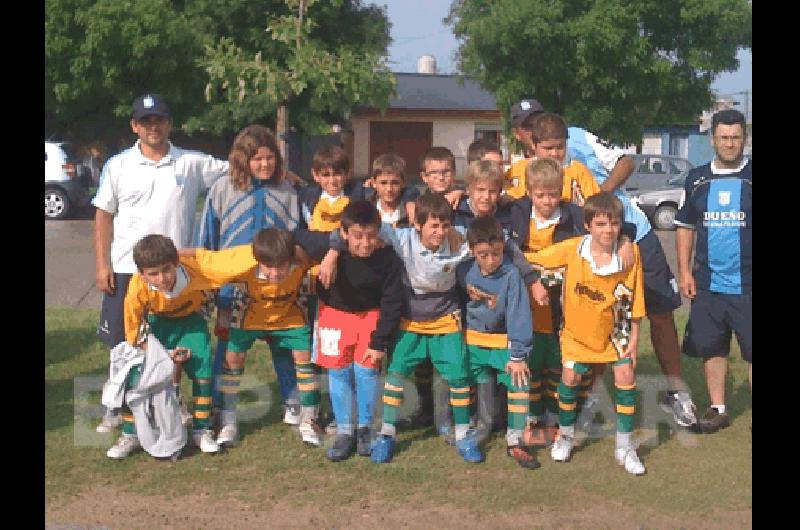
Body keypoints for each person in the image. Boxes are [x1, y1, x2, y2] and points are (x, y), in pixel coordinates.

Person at [509, 99, 698, 428]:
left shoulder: (580, 140)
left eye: (540, 120)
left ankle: (675, 392)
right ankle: (588, 396)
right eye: (528, 127)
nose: (539, 133)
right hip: (585, 251)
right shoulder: (526, 170)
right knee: (592, 318)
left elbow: (625, 162)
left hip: (631, 234)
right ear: (524, 135)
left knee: (659, 311)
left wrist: (602, 203)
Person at [93, 93, 229, 433]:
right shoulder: (118, 165)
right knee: (126, 342)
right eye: (146, 121)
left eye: (159, 120)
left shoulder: (191, 163)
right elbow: (103, 216)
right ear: (134, 126)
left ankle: (175, 402)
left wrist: (286, 174)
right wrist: (102, 264)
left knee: (179, 342)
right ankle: (119, 405)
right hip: (128, 268)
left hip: (176, 272)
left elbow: (238, 170)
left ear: (169, 123)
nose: (153, 127)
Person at [107, 234, 258, 458]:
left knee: (203, 373)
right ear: (141, 273)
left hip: (191, 322)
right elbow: (134, 330)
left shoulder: (199, 268)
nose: (162, 279)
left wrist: (285, 246)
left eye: (166, 270)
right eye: (153, 274)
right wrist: (161, 354)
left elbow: (238, 258)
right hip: (157, 326)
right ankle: (132, 433)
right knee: (136, 375)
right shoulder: (137, 287)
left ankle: (201, 429)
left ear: (176, 262)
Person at [528, 192, 647, 475]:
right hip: (576, 332)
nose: (609, 230)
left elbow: (636, 299)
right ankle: (566, 435)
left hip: (615, 331)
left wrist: (634, 339)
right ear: (588, 226)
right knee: (569, 377)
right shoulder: (572, 250)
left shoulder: (630, 254)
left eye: (615, 224)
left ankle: (625, 446)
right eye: (601, 224)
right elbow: (532, 260)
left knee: (626, 375)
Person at [196, 124, 303, 430]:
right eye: (257, 159)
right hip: (233, 287)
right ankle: (219, 406)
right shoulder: (222, 189)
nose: (265, 164)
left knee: (282, 345)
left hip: (276, 284)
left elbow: (297, 235)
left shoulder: (286, 190)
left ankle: (293, 402)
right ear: (242, 159)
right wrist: (209, 285)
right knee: (229, 349)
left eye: (270, 158)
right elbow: (208, 239)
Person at [367, 193, 483, 464]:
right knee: (396, 375)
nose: (440, 232)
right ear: (417, 224)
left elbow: (493, 235)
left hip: (446, 320)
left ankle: (464, 434)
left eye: (445, 226)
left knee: (459, 377)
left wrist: (458, 227)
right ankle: (386, 434)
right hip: (411, 321)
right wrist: (334, 252)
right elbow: (366, 224)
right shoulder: (402, 238)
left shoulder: (458, 238)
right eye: (434, 226)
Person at [302, 201, 405, 461]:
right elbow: (296, 235)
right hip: (334, 315)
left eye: (371, 236)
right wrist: (333, 251)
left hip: (370, 315)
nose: (365, 243)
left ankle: (365, 429)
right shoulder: (328, 247)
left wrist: (380, 342)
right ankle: (345, 431)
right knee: (338, 372)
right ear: (344, 233)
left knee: (366, 370)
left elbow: (392, 302)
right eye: (357, 236)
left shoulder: (388, 257)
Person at [674, 109, 751, 434]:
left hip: (748, 284)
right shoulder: (697, 179)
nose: (730, 144)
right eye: (724, 138)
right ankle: (717, 408)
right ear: (713, 139)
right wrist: (685, 271)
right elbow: (684, 226)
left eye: (736, 137)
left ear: (744, 138)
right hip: (708, 284)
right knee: (712, 347)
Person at [211, 228, 324, 448]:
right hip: (249, 315)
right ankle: (228, 420)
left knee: (304, 357)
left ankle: (309, 417)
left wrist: (329, 257)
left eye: (280, 267)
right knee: (233, 358)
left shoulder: (303, 261)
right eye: (268, 267)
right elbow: (205, 262)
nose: (274, 273)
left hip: (289, 315)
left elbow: (331, 246)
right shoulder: (241, 264)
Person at [455, 216, 538, 469]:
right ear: (472, 252)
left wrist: (518, 354)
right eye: (483, 255)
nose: (491, 260)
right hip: (475, 344)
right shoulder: (463, 270)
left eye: (496, 253)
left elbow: (518, 314)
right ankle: (479, 429)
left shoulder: (511, 275)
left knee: (519, 383)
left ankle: (515, 439)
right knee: (481, 391)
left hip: (504, 344)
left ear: (503, 246)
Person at [362, 153, 419, 227]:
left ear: (403, 182)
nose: (389, 189)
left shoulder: (412, 210)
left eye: (395, 183)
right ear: (374, 183)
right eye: (383, 183)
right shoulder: (366, 210)